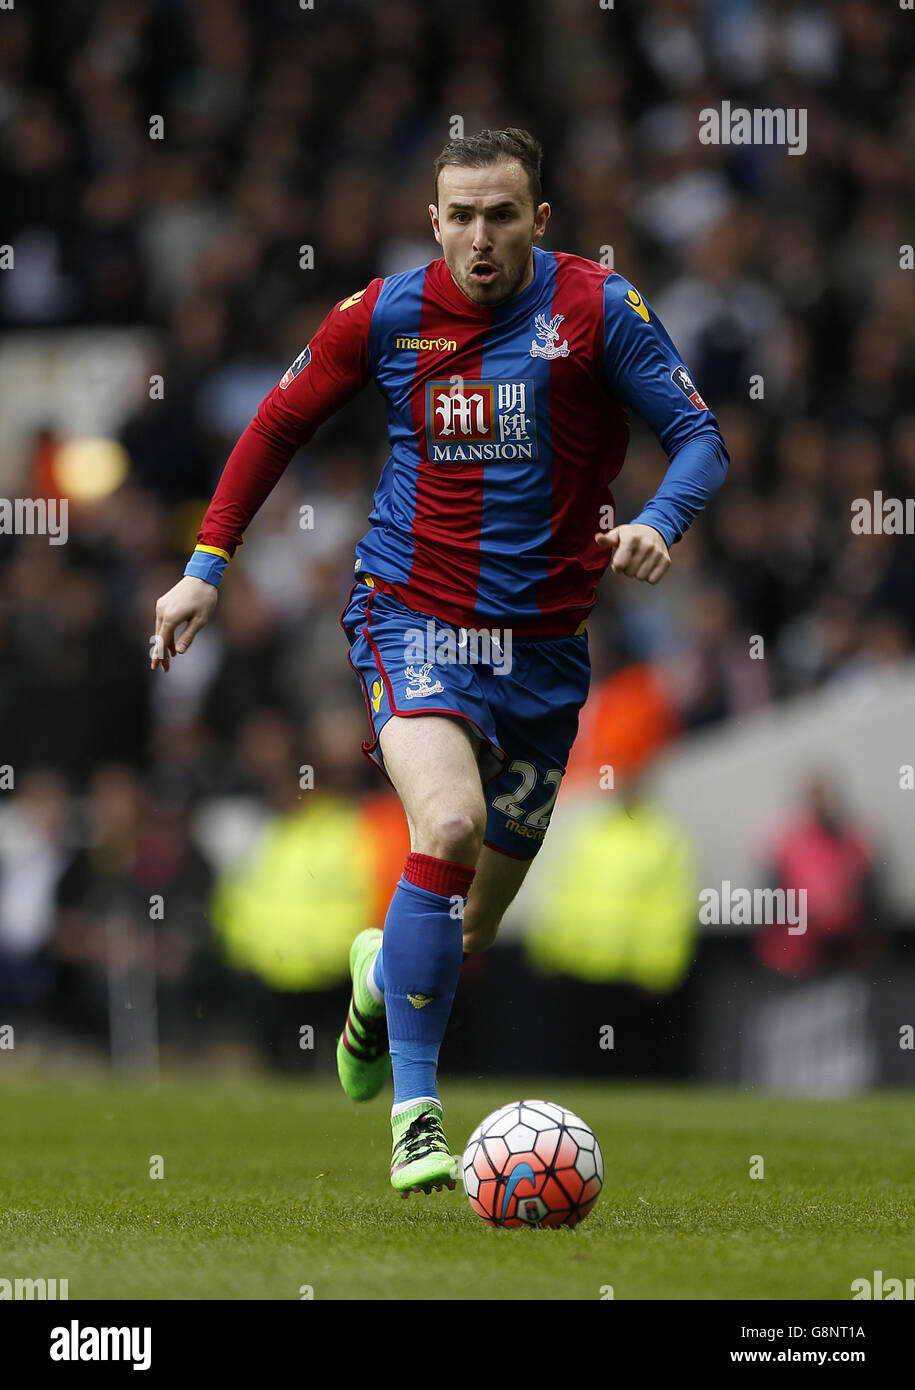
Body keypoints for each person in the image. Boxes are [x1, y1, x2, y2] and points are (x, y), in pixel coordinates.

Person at [151, 128, 729, 1197]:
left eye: (501, 214)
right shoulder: (383, 315)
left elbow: (701, 438)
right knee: (448, 824)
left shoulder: (599, 308)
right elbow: (274, 425)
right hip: (410, 615)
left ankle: (379, 981)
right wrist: (204, 567)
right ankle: (417, 1117)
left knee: (471, 920)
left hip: (545, 652)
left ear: (539, 221)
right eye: (459, 214)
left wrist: (662, 519)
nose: (479, 235)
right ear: (433, 221)